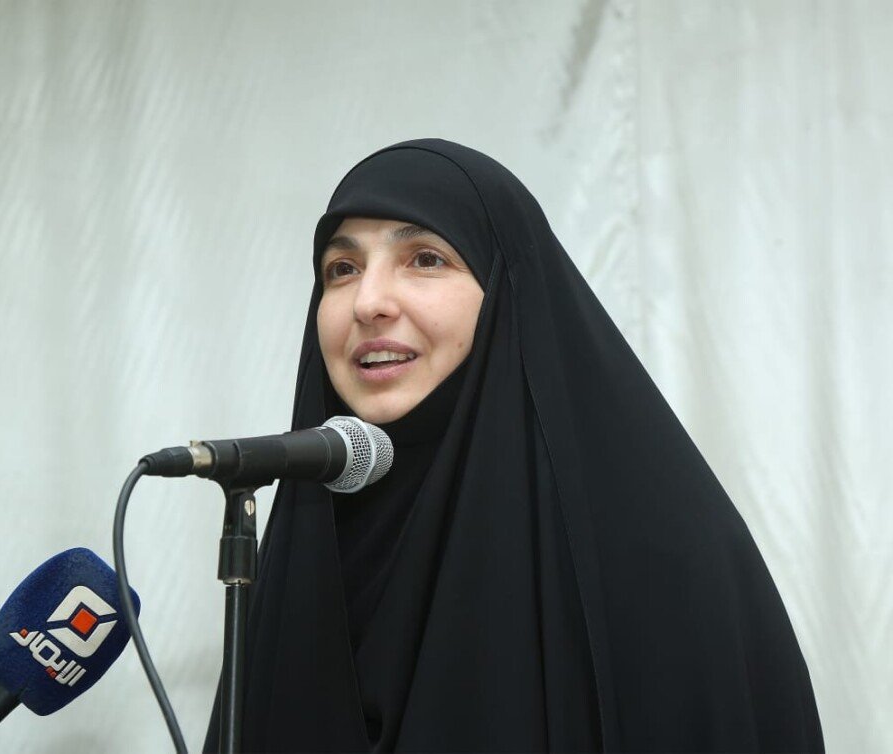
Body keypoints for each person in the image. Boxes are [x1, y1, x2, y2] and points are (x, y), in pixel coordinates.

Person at [204, 139, 825, 752]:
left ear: (508, 292)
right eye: (342, 269)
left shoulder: (661, 561)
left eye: (425, 259)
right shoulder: (305, 555)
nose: (368, 303)